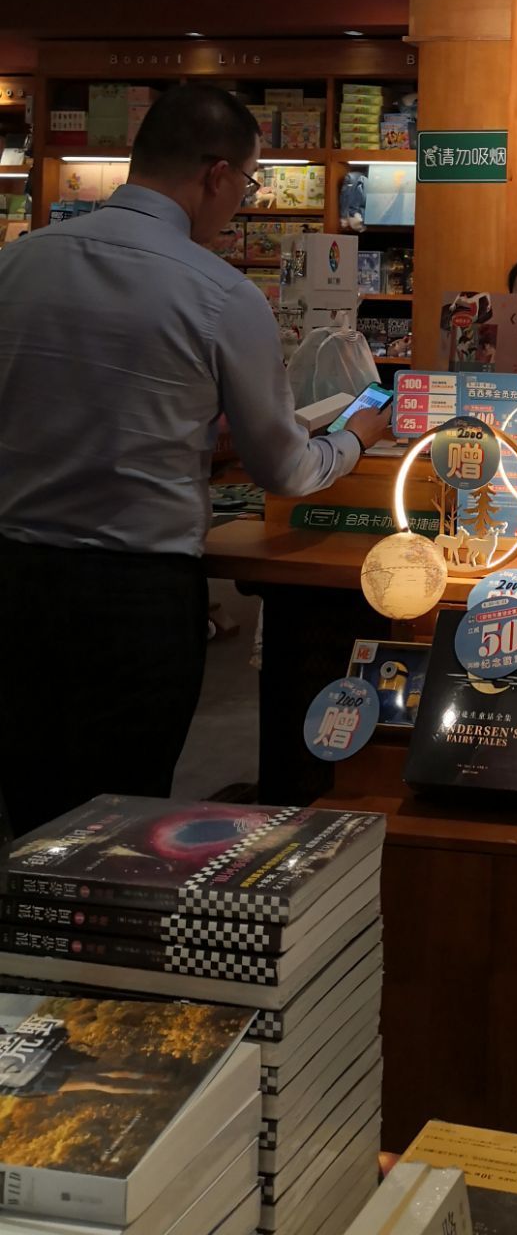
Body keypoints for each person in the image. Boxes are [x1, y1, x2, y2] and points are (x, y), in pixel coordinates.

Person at [0, 84, 392, 837]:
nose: (242, 203)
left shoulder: (18, 264)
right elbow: (285, 470)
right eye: (247, 183)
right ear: (217, 175)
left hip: (15, 582)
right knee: (120, 820)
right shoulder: (219, 292)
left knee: (30, 813)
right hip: (133, 598)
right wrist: (357, 437)